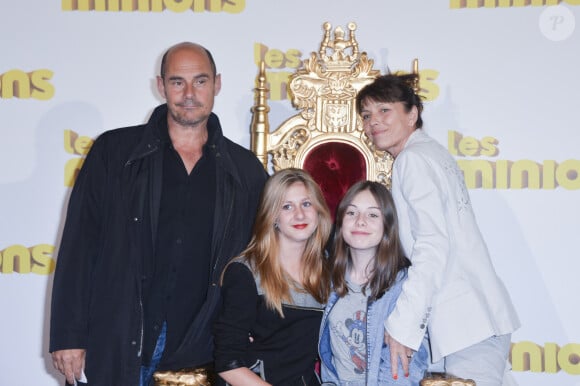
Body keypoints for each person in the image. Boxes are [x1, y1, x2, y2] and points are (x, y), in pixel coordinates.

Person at [49, 42, 269, 386]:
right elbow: (80, 244)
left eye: (200, 81)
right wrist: (68, 335)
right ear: (160, 85)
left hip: (203, 349)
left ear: (218, 84)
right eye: (177, 82)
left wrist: (257, 327)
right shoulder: (114, 153)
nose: (189, 93)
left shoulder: (245, 170)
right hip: (123, 339)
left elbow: (264, 256)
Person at [355, 73, 520, 386]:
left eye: (384, 111)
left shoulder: (412, 160)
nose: (373, 122)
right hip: (476, 321)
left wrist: (401, 326)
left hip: (466, 325)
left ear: (412, 114)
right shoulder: (431, 153)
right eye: (366, 115)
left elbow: (431, 246)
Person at [213, 168, 332, 386]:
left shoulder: (330, 271)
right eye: (287, 206)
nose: (299, 214)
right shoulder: (245, 272)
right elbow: (227, 362)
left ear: (319, 211)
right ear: (273, 216)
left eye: (306, 204)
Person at [318, 180, 429, 386]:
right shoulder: (327, 280)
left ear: (387, 226)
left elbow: (407, 370)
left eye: (372, 214)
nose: (360, 221)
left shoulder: (405, 288)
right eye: (351, 213)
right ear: (340, 223)